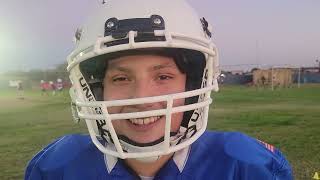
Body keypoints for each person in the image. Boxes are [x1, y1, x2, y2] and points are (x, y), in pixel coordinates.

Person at [25, 0, 293, 179]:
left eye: (163, 76)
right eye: (120, 78)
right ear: (96, 89)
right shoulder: (55, 169)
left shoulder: (247, 167)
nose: (142, 98)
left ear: (195, 83)